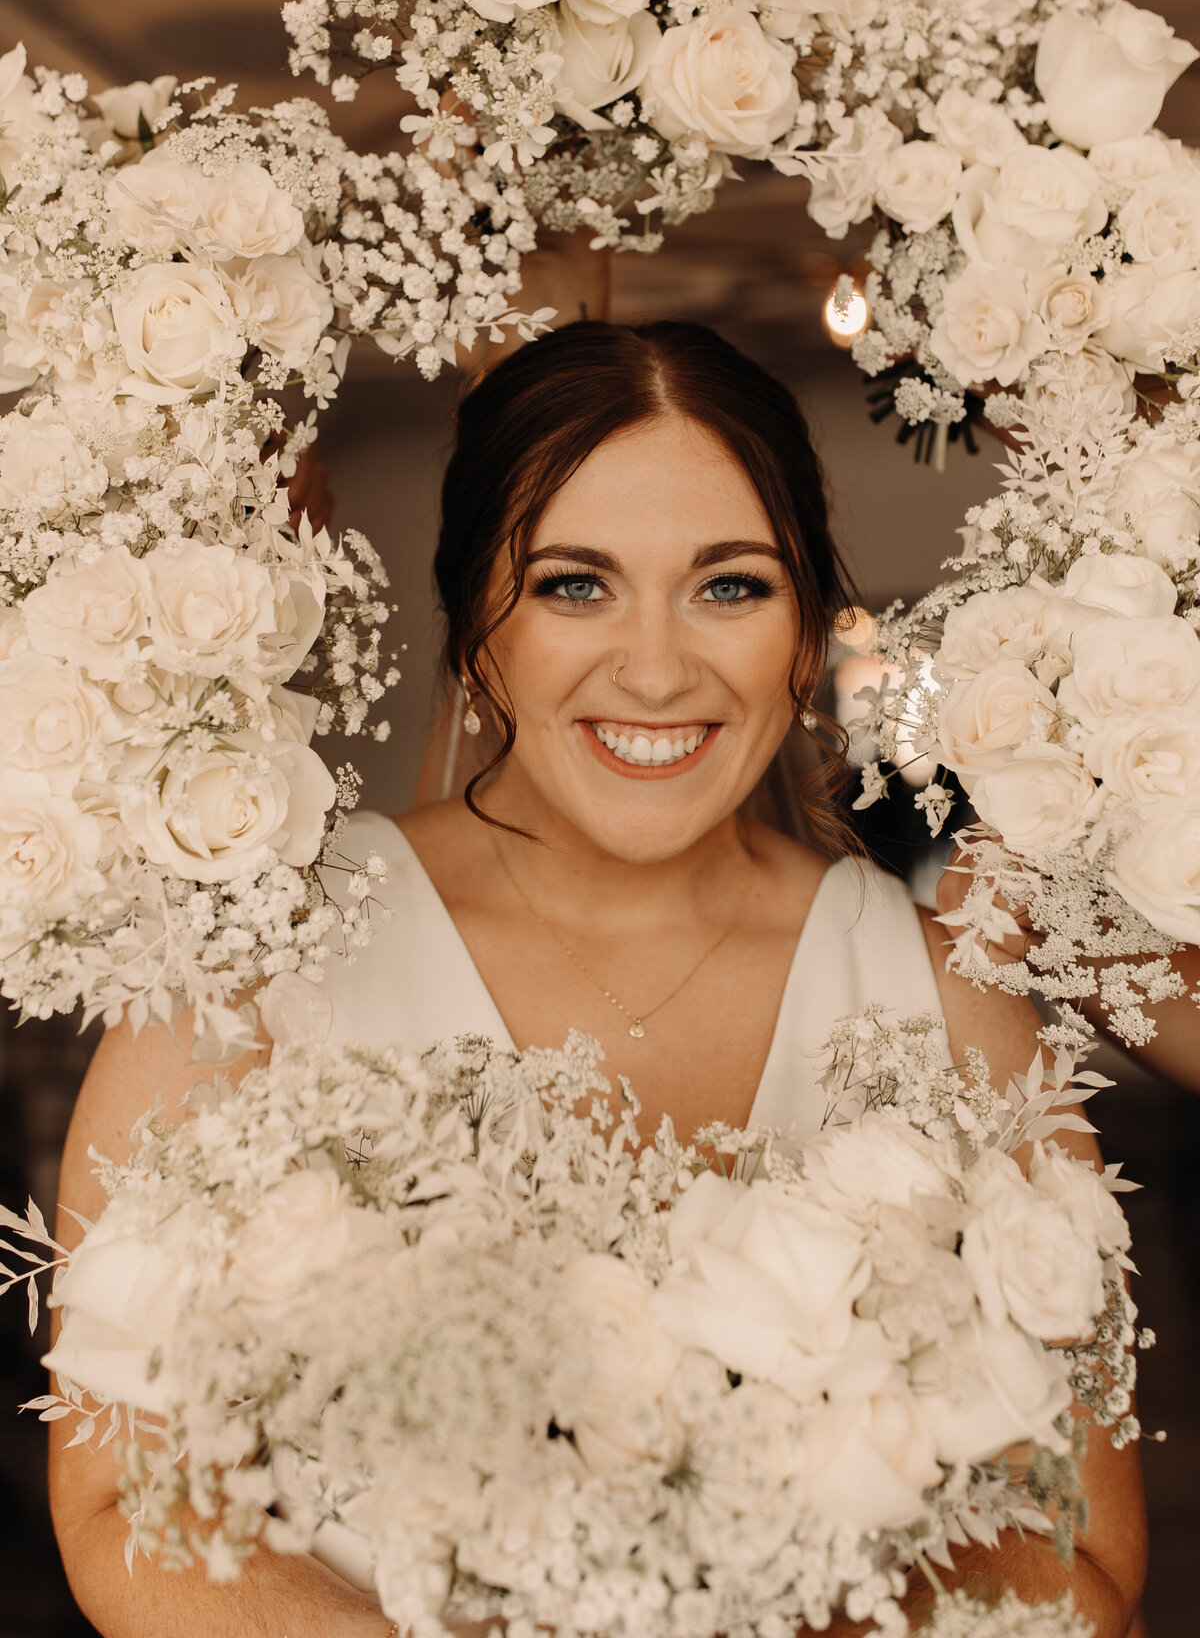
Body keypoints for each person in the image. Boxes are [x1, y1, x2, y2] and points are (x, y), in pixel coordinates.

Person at [48, 321, 1146, 1637]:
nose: (657, 667)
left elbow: (1076, 1554)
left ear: (806, 631)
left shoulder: (950, 1005)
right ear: (475, 626)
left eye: (729, 586)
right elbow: (126, 1507)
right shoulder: (250, 981)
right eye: (576, 584)